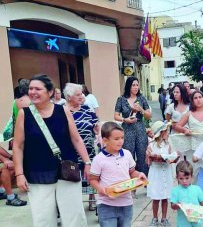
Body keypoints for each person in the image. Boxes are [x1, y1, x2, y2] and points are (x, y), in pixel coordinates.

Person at [13, 74, 91, 226]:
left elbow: (76, 139)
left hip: (66, 170)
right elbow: (18, 145)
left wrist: (87, 162)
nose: (33, 92)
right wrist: (19, 173)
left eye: (38, 89)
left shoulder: (63, 111)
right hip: (38, 173)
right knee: (43, 218)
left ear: (50, 92)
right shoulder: (25, 114)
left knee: (74, 216)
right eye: (30, 89)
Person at [89, 122, 147, 227]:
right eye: (116, 139)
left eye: (122, 138)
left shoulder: (127, 154)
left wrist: (139, 175)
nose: (120, 141)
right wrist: (101, 190)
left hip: (126, 204)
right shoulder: (99, 159)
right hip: (106, 205)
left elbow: (132, 172)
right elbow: (93, 179)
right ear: (105, 140)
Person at [64, 83, 100, 211]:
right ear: (69, 97)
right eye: (78, 94)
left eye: (81, 94)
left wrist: (97, 129)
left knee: (91, 175)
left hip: (88, 149)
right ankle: (74, 202)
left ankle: (92, 199)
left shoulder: (87, 109)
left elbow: (96, 125)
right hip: (71, 151)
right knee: (72, 176)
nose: (81, 96)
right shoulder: (63, 111)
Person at [114, 77, 151, 176]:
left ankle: (144, 180)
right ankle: (129, 182)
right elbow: (116, 116)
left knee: (142, 155)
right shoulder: (121, 99)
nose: (135, 87)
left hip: (140, 128)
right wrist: (124, 119)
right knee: (128, 154)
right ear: (128, 86)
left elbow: (148, 115)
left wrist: (141, 110)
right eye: (133, 85)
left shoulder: (141, 98)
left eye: (137, 85)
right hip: (127, 129)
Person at [146, 121, 175, 227]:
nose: (168, 133)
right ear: (160, 133)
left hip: (166, 172)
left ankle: (164, 218)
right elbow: (148, 160)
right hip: (156, 173)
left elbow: (172, 156)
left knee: (165, 197)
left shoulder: (168, 144)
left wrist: (173, 158)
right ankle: (154, 218)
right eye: (166, 131)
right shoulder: (152, 145)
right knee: (156, 196)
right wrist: (152, 156)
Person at [175, 91, 203, 164]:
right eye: (195, 98)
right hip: (193, 146)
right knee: (193, 170)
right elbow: (177, 126)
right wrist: (185, 130)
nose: (198, 100)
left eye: (200, 97)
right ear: (192, 101)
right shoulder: (188, 114)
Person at [170, 160, 203, 227]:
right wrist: (177, 205)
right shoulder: (175, 190)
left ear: (192, 177)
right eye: (181, 178)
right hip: (183, 223)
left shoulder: (197, 189)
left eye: (187, 178)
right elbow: (173, 206)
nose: (184, 181)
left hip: (197, 222)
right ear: (177, 178)